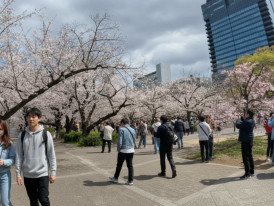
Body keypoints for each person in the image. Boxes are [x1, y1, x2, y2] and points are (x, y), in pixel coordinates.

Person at [16, 107, 57, 206]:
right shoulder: (22, 135)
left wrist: (53, 172)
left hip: (42, 173)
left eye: (33, 116)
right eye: (29, 117)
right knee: (33, 201)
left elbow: (51, 154)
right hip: (28, 174)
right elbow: (19, 155)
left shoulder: (46, 134)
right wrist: (18, 174)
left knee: (44, 199)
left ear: (39, 118)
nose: (31, 119)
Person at [109, 118, 136, 185]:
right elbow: (134, 139)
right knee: (130, 165)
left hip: (123, 150)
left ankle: (116, 178)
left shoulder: (121, 129)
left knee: (119, 165)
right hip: (131, 150)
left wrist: (119, 149)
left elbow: (119, 141)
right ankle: (130, 181)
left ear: (123, 123)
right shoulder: (133, 129)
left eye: (121, 123)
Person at [236, 109, 255, 179]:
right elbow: (245, 121)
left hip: (245, 141)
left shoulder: (247, 121)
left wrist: (238, 119)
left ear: (248, 114)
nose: (245, 114)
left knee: (245, 157)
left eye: (246, 113)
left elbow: (238, 125)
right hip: (250, 140)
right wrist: (241, 118)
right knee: (250, 156)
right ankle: (252, 171)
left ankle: (247, 174)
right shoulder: (252, 120)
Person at [0, 120, 15, 206]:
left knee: (5, 202)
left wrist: (4, 162)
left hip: (4, 176)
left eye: (0, 129)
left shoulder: (9, 144)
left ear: (4, 130)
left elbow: (13, 159)